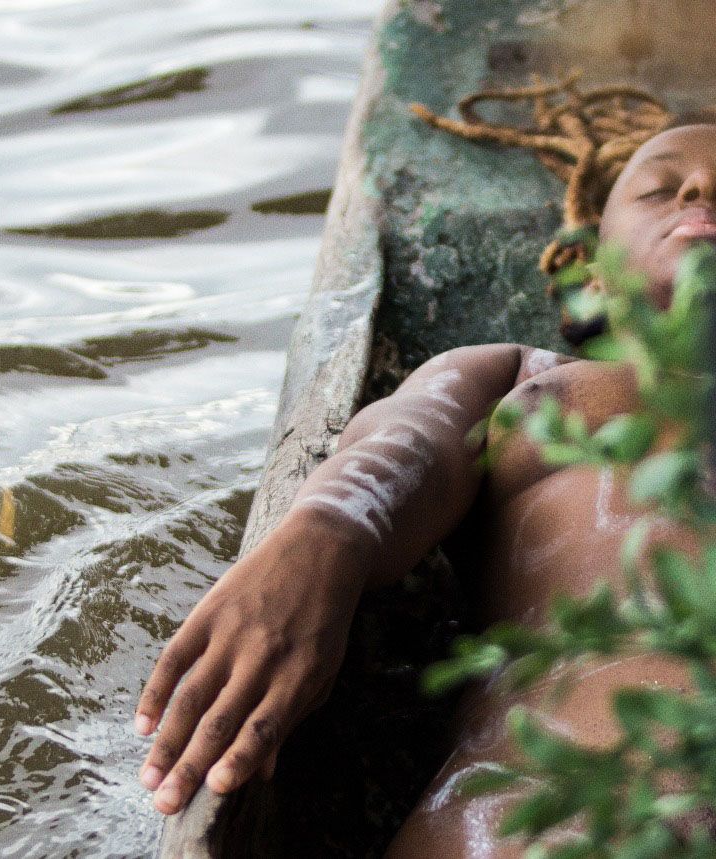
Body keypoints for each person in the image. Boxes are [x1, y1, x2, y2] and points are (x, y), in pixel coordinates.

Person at [133, 121, 716, 854]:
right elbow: (410, 442)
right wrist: (327, 527)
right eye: (662, 187)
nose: (699, 193)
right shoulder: (523, 377)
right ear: (594, 273)